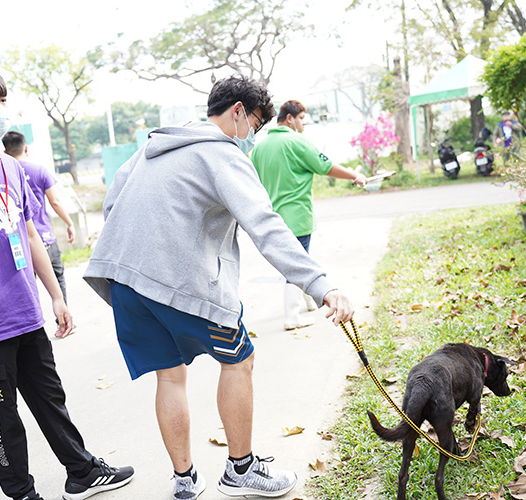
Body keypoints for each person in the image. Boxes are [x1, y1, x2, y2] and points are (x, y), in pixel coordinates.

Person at [83, 75, 355, 500]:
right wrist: (321, 285)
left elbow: (112, 204)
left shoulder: (150, 147)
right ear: (238, 112)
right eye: (257, 123)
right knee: (239, 360)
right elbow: (265, 224)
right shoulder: (221, 154)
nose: (254, 135)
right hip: (175, 281)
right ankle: (241, 469)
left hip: (122, 280)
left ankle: (185, 480)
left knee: (169, 377)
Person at [0, 63, 134, 500]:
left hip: (25, 313)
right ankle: (21, 493)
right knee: (4, 420)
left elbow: (29, 232)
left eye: (1, 99)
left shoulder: (13, 168)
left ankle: (82, 472)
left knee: (51, 400)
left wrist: (56, 295)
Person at [250, 100, 366, 330]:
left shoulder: (260, 147)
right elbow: (325, 166)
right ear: (290, 118)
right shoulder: (296, 141)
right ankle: (292, 316)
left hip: (272, 217)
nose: (304, 123)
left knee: (297, 260)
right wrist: (354, 175)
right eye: (302, 118)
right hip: (296, 216)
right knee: (296, 265)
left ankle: (307, 302)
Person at [2, 130, 74, 310]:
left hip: (19, 241)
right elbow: (55, 201)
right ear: (26, 148)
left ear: (4, 152)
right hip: (45, 236)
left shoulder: (3, 175)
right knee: (57, 278)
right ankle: (64, 319)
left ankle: (33, 327)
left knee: (26, 286)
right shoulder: (39, 170)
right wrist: (69, 223)